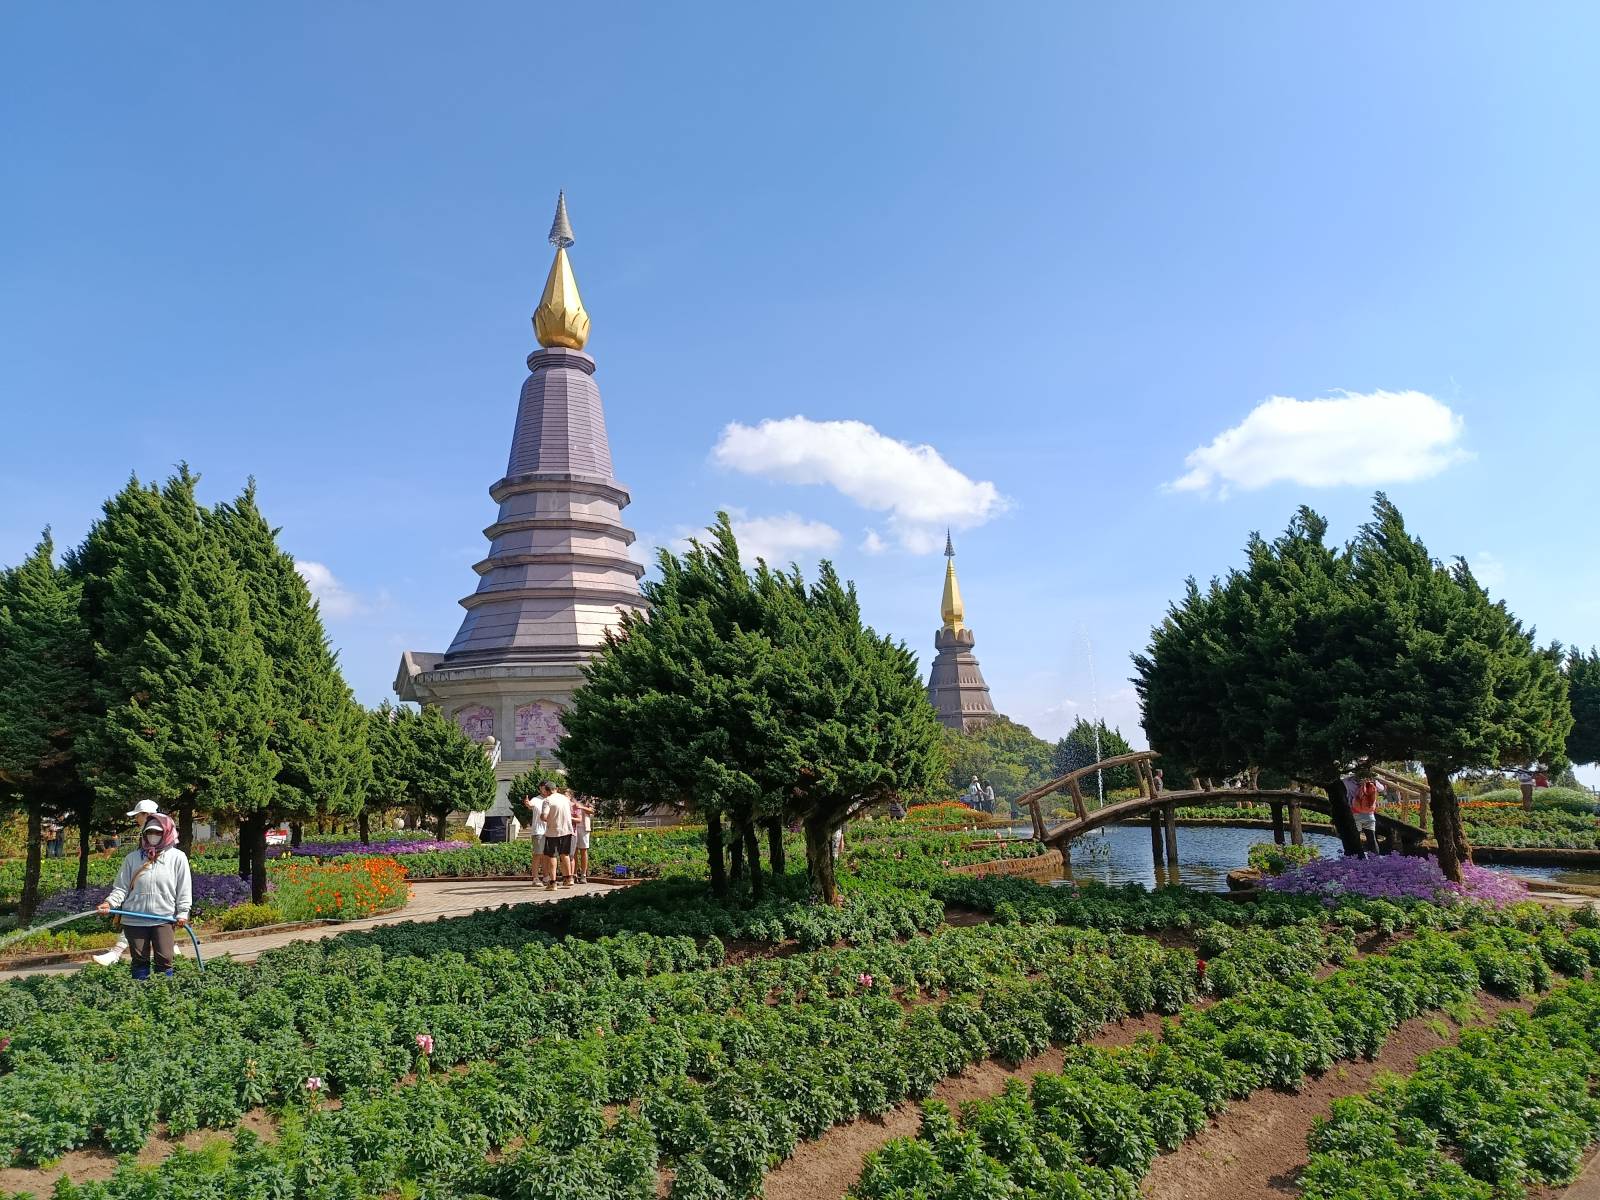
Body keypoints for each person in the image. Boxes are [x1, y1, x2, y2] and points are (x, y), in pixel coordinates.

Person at [96, 809, 191, 979]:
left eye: (158, 832)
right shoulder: (132, 858)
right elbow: (121, 888)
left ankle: (164, 991)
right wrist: (109, 903)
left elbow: (183, 888)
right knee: (139, 960)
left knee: (165, 958)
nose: (153, 835)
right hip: (134, 918)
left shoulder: (177, 857)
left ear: (166, 832)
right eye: (149, 832)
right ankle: (140, 990)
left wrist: (183, 912)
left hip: (163, 917)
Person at [93, 800, 162, 967]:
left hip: (158, 897)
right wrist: (110, 902)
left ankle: (116, 954)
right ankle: (116, 953)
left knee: (148, 923)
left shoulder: (162, 838)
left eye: (138, 815)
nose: (136, 819)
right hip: (143, 893)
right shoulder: (144, 837)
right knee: (137, 920)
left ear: (147, 815)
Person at [538, 781, 576, 890]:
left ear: (546, 791)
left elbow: (544, 816)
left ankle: (553, 882)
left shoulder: (547, 801)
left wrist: (542, 817)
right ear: (556, 789)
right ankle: (569, 878)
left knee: (552, 856)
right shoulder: (565, 799)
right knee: (565, 854)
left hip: (553, 831)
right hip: (567, 830)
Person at [522, 790, 549, 885]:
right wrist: (527, 803)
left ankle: (546, 877)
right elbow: (530, 805)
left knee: (547, 855)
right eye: (543, 787)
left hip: (550, 831)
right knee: (537, 854)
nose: (545, 789)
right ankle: (535, 878)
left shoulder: (551, 799)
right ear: (540, 788)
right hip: (538, 831)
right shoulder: (536, 799)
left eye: (546, 787)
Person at [1351, 777, 1381, 859]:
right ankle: (1375, 859)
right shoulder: (1373, 784)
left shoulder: (1354, 783)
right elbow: (1382, 788)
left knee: (1356, 838)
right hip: (1369, 815)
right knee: (1372, 839)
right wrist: (1375, 781)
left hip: (1356, 814)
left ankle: (1358, 859)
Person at [571, 796, 593, 883]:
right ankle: (574, 874)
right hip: (573, 827)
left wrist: (581, 807)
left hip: (584, 828)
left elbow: (591, 811)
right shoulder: (572, 796)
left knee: (583, 851)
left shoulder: (587, 798)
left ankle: (583, 875)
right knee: (574, 852)